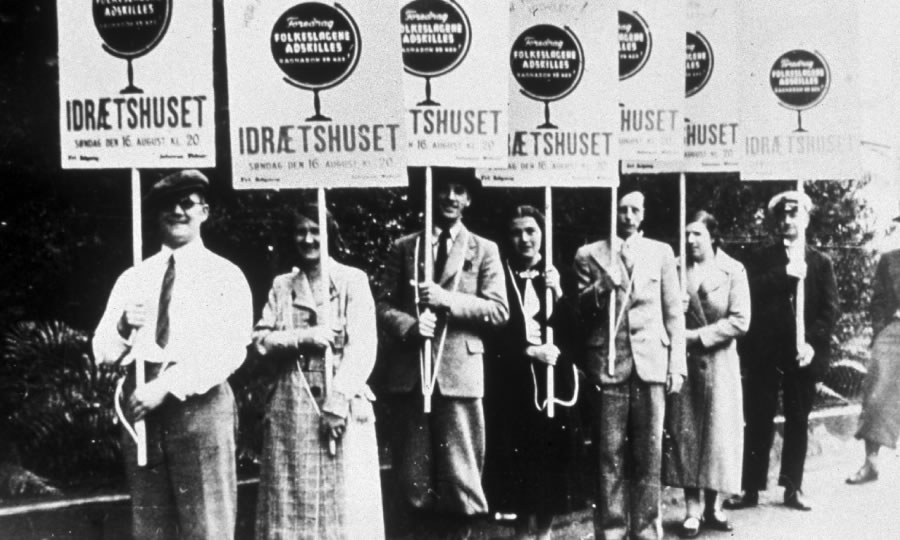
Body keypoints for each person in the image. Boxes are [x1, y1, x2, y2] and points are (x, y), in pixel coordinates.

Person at [92, 170, 252, 539]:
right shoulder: (134, 277)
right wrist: (121, 326)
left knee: (207, 524)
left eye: (187, 204)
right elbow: (102, 352)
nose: (178, 211)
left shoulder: (224, 275)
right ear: (155, 214)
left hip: (199, 405)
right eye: (168, 205)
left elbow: (230, 348)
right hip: (142, 412)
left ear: (205, 212)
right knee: (150, 527)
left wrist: (166, 385)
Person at [375, 168, 509, 539]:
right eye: (443, 189)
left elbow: (499, 310)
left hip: (458, 375)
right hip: (413, 376)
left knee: (460, 478)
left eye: (458, 190)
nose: (450, 197)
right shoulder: (405, 247)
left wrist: (448, 300)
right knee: (413, 479)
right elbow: (383, 304)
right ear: (430, 195)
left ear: (468, 199)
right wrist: (409, 325)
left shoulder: (484, 249)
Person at [252, 204, 383, 539]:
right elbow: (261, 341)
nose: (308, 238)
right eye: (301, 231)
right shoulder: (282, 286)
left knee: (345, 505)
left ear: (330, 234)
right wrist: (303, 338)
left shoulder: (352, 281)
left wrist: (338, 403)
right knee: (290, 504)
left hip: (341, 408)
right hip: (291, 409)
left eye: (316, 230)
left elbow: (364, 346)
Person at [573, 191, 686, 540]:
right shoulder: (589, 254)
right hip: (609, 365)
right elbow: (578, 312)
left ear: (643, 214)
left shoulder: (661, 252)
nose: (627, 216)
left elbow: (673, 314)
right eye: (621, 209)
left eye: (635, 209)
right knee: (609, 454)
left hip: (652, 364)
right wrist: (602, 286)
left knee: (649, 452)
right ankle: (611, 529)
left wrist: (676, 364)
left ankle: (647, 529)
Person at [725, 190, 839, 512]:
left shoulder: (820, 262)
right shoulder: (763, 258)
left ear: (806, 218)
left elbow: (830, 311)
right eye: (783, 215)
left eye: (794, 214)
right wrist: (785, 275)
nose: (788, 220)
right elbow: (751, 294)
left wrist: (811, 344)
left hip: (801, 355)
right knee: (758, 418)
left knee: (797, 420)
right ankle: (750, 489)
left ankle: (792, 487)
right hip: (766, 353)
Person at [483, 205, 583, 540]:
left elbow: (577, 333)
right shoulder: (497, 274)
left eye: (531, 231)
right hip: (514, 380)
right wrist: (528, 351)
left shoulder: (560, 273)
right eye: (516, 232)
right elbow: (492, 332)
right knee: (519, 458)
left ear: (543, 233)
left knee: (552, 456)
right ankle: (522, 531)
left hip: (554, 381)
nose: (524, 239)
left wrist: (558, 292)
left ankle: (545, 532)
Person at [662, 211, 750, 538]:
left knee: (717, 436)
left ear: (713, 236)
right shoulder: (672, 268)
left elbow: (741, 320)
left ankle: (714, 506)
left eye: (697, 234)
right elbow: (658, 310)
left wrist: (697, 335)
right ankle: (691, 510)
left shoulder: (733, 270)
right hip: (684, 364)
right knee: (686, 434)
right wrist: (676, 310)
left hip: (719, 363)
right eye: (686, 233)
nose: (690, 240)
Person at [846, 233, 900, 485]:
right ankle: (871, 463)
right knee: (876, 392)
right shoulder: (890, 260)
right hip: (895, 331)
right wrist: (882, 329)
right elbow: (878, 302)